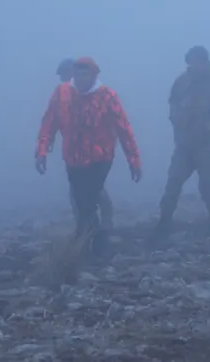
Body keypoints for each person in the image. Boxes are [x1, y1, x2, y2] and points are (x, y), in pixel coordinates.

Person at [36, 57, 142, 259]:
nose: (80, 77)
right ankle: (91, 239)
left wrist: (134, 159)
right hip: (73, 158)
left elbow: (124, 129)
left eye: (85, 73)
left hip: (100, 158)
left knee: (88, 200)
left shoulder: (107, 96)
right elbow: (49, 122)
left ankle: (95, 246)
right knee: (81, 199)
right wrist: (41, 150)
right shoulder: (62, 94)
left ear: (94, 75)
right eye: (77, 73)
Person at [151, 46, 210, 244]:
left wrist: (209, 126)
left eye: (196, 61)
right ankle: (163, 226)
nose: (193, 65)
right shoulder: (181, 82)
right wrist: (176, 119)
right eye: (190, 61)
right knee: (173, 183)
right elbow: (172, 103)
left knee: (207, 186)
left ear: (204, 62)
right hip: (184, 144)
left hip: (206, 146)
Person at [51, 58, 116, 242]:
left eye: (64, 75)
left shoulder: (91, 94)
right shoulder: (66, 96)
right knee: (83, 192)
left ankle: (97, 229)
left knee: (91, 192)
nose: (63, 80)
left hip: (94, 154)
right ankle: (89, 227)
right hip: (77, 154)